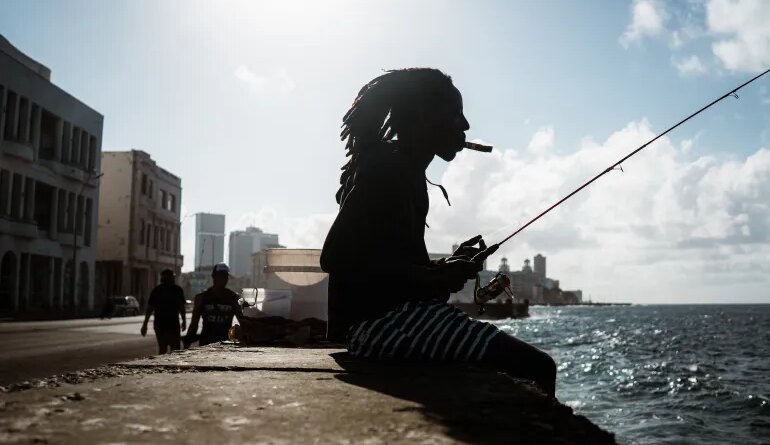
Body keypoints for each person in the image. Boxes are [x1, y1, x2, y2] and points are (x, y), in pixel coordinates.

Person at [320, 68, 557, 397]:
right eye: (456, 114)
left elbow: (391, 266)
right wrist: (433, 278)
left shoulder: (408, 174)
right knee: (539, 367)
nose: (465, 126)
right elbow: (336, 256)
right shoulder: (390, 168)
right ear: (423, 118)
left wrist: (445, 269)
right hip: (377, 327)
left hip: (388, 320)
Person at [185, 263, 244, 347]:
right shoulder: (202, 298)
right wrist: (187, 341)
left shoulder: (233, 298)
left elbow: (242, 321)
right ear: (214, 276)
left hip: (225, 344)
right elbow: (194, 323)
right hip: (206, 343)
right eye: (220, 276)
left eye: (225, 276)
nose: (223, 279)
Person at [140, 269, 187, 354]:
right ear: (169, 278)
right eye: (172, 277)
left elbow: (150, 309)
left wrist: (145, 324)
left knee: (163, 348)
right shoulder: (177, 290)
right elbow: (181, 307)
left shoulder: (157, 290)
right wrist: (184, 321)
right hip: (171, 324)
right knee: (175, 349)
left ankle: (163, 364)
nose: (173, 279)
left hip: (160, 324)